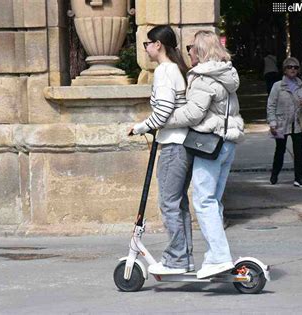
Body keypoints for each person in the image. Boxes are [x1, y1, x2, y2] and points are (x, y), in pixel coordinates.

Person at [163, 30, 245, 279]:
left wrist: (164, 120)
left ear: (200, 50)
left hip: (210, 144)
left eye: (191, 47)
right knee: (214, 201)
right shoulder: (226, 74)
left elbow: (192, 114)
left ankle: (219, 256)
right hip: (228, 143)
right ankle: (213, 256)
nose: (187, 52)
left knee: (203, 200)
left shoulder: (203, 78)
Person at [127, 25, 193, 275]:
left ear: (158, 45)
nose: (145, 48)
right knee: (178, 204)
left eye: (147, 43)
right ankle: (183, 258)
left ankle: (176, 259)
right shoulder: (176, 69)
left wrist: (141, 127)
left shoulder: (166, 71)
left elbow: (164, 111)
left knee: (169, 204)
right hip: (181, 143)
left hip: (174, 146)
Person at [267, 57, 302, 187]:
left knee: (299, 151)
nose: (293, 69)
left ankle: (299, 178)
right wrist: (272, 122)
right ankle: (275, 173)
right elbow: (271, 105)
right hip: (281, 123)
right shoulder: (277, 86)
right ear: (284, 70)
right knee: (280, 150)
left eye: (296, 67)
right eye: (290, 67)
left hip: (297, 122)